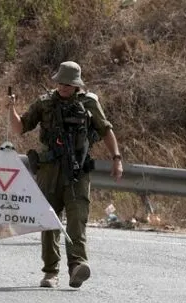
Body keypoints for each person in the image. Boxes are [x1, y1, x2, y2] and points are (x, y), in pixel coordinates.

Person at [9, 61, 124, 289]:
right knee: (49, 221)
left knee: (77, 219)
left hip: (77, 171)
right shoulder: (44, 103)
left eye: (68, 84)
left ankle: (77, 266)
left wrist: (117, 158)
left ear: (77, 85)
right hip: (49, 172)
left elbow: (106, 130)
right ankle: (50, 272)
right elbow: (20, 128)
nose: (63, 87)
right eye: (60, 83)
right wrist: (10, 109)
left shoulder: (89, 103)